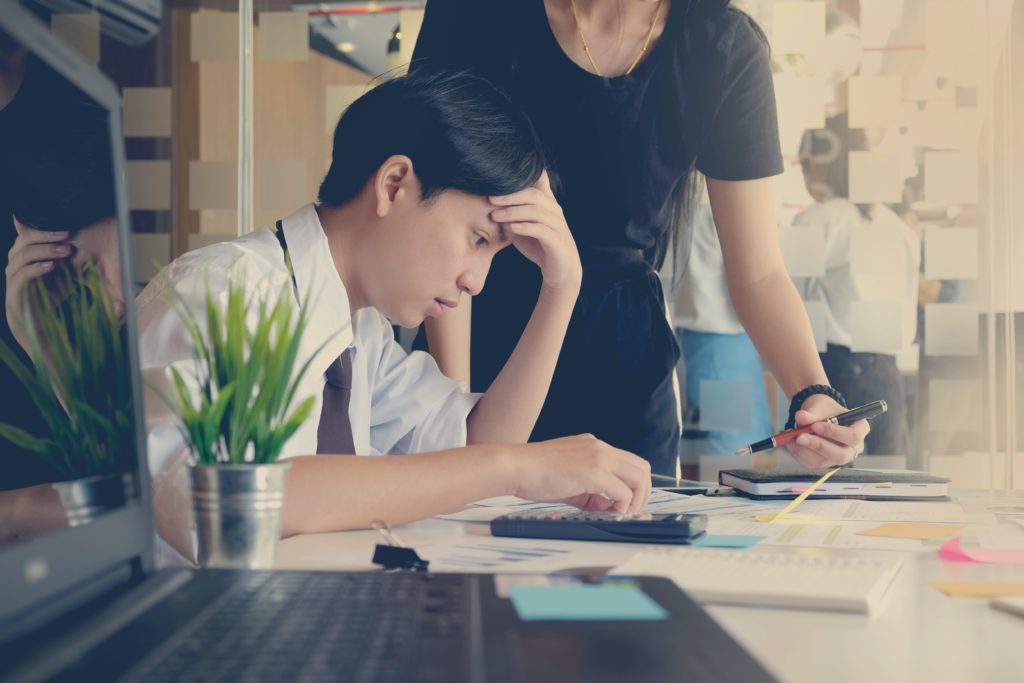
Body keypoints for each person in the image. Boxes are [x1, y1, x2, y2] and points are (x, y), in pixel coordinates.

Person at [138, 70, 652, 563]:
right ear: (393, 185)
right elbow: (222, 505)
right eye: (477, 240)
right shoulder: (225, 292)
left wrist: (561, 289)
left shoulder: (362, 332)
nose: (477, 282)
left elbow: (478, 444)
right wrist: (514, 467)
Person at [411, 0, 868, 475]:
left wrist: (815, 393)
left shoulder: (720, 46)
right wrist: (452, 405)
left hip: (623, 368)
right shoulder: (471, 14)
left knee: (631, 544)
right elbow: (437, 212)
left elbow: (758, 273)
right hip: (476, 325)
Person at [792, 113, 919, 455]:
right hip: (889, 376)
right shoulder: (898, 227)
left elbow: (784, 300)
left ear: (819, 165)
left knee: (832, 492)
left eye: (804, 165)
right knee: (888, 489)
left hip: (838, 373)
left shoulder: (817, 221)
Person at [663, 189, 772, 467]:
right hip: (722, 342)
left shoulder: (683, 203)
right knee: (732, 453)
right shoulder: (718, 205)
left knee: (738, 448)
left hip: (716, 341)